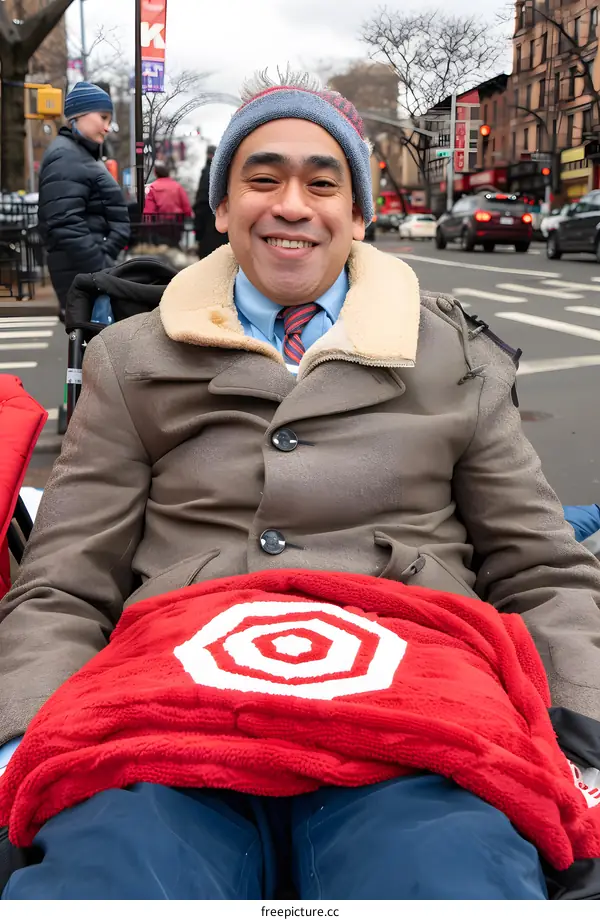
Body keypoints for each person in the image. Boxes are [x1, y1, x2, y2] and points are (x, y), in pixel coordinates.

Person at [2, 69, 600, 900]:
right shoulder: (131, 358)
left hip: (419, 692)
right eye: (262, 178)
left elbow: (539, 566)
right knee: (113, 873)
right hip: (171, 689)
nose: (292, 205)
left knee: (451, 874)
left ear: (358, 214)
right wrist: (23, 732)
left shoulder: (458, 359)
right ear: (221, 208)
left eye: (323, 183)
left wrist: (583, 716)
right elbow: (64, 583)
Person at [38, 82, 130, 320]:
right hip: (85, 275)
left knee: (95, 350)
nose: (108, 127)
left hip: (84, 273)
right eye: (103, 117)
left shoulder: (74, 154)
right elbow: (65, 223)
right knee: (97, 349)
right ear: (80, 114)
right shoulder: (66, 156)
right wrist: (101, 265)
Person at [194, 144, 228, 258]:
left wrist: (198, 229)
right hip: (223, 227)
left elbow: (202, 202)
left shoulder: (207, 172)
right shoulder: (226, 170)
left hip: (209, 225)